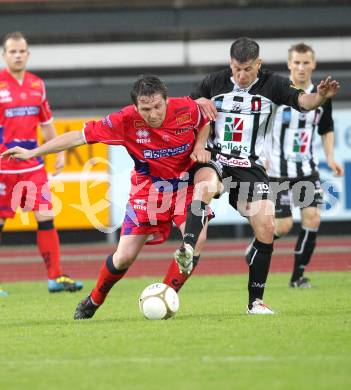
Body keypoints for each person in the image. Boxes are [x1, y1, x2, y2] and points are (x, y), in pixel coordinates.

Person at [2, 74, 211, 319]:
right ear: (136, 107)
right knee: (123, 257)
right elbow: (79, 137)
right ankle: (93, 300)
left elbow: (204, 121)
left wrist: (199, 146)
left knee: (196, 240)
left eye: (158, 107)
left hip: (185, 187)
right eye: (146, 109)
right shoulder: (124, 120)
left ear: (167, 100)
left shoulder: (186, 108)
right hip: (147, 191)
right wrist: (34, 152)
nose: (153, 114)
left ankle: (166, 294)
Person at [173, 37, 339, 314]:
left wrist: (320, 96)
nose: (240, 75)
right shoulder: (214, 82)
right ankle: (188, 248)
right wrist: (198, 105)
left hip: (249, 167)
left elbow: (303, 101)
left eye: (247, 69)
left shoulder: (272, 84)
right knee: (205, 186)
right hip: (215, 158)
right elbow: (187, 108)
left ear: (258, 64)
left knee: (267, 227)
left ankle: (255, 302)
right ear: (230, 64)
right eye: (236, 68)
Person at [0, 31, 83, 293]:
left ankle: (55, 277)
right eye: (12, 51)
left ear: (28, 54)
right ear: (4, 55)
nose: (17, 55)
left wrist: (57, 152)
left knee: (46, 215)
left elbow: (46, 124)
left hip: (32, 165)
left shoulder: (38, 85)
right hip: (3, 167)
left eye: (21, 51)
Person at [266, 43, 344, 288]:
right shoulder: (277, 93)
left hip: (306, 171)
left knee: (312, 219)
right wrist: (261, 156)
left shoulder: (322, 95)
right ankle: (258, 244)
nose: (301, 67)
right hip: (276, 171)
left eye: (305, 62)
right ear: (289, 64)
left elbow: (326, 128)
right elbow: (259, 126)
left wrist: (330, 157)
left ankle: (297, 277)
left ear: (314, 65)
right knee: (283, 225)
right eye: (296, 62)